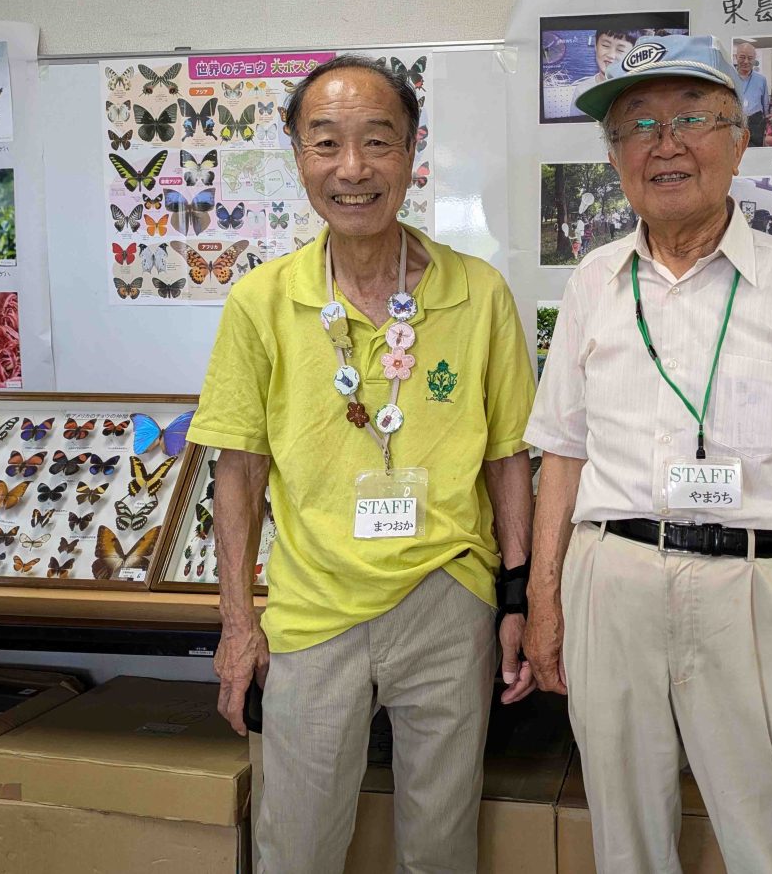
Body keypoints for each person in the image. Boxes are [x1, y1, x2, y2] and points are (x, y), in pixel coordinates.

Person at [525, 33, 772, 874]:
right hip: (609, 580)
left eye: (693, 117)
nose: (666, 143)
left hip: (751, 589)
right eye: (637, 127)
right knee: (626, 834)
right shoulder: (591, 282)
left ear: (740, 139)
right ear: (615, 157)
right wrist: (545, 600)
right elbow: (562, 457)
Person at [190, 55, 538, 873]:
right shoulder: (261, 301)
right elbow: (235, 469)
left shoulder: (478, 292)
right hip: (312, 610)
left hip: (448, 599)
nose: (353, 168)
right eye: (327, 143)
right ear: (298, 154)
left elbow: (509, 458)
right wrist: (239, 625)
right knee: (296, 848)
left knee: (442, 845)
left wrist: (518, 599)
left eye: (377, 142)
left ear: (414, 154)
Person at [569, 28, 638, 116]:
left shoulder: (638, 89)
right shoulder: (582, 91)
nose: (611, 55)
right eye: (605, 45)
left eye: (620, 50)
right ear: (595, 45)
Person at [732, 42, 768, 147]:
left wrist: (766, 128)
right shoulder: (729, 77)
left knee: (755, 154)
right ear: (736, 57)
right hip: (735, 121)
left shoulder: (761, 80)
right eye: (742, 57)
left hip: (756, 122)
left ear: (755, 59)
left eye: (750, 58)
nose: (746, 61)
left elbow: (765, 105)